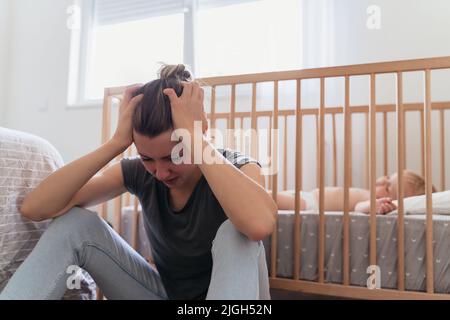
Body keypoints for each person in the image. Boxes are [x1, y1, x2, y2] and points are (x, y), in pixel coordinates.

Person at [0, 64, 277, 300]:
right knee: (76, 223)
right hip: (164, 294)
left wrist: (197, 140)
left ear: (200, 133)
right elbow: (35, 209)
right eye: (148, 159)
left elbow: (258, 225)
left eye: (172, 156)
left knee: (235, 231)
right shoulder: (138, 173)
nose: (161, 172)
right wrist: (116, 143)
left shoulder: (239, 166)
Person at [274, 170, 436, 214]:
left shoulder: (370, 200)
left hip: (310, 205)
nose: (381, 180)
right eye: (387, 177)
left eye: (387, 187)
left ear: (388, 200)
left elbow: (359, 207)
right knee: (271, 196)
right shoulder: (369, 193)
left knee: (271, 197)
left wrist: (373, 206)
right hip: (307, 196)